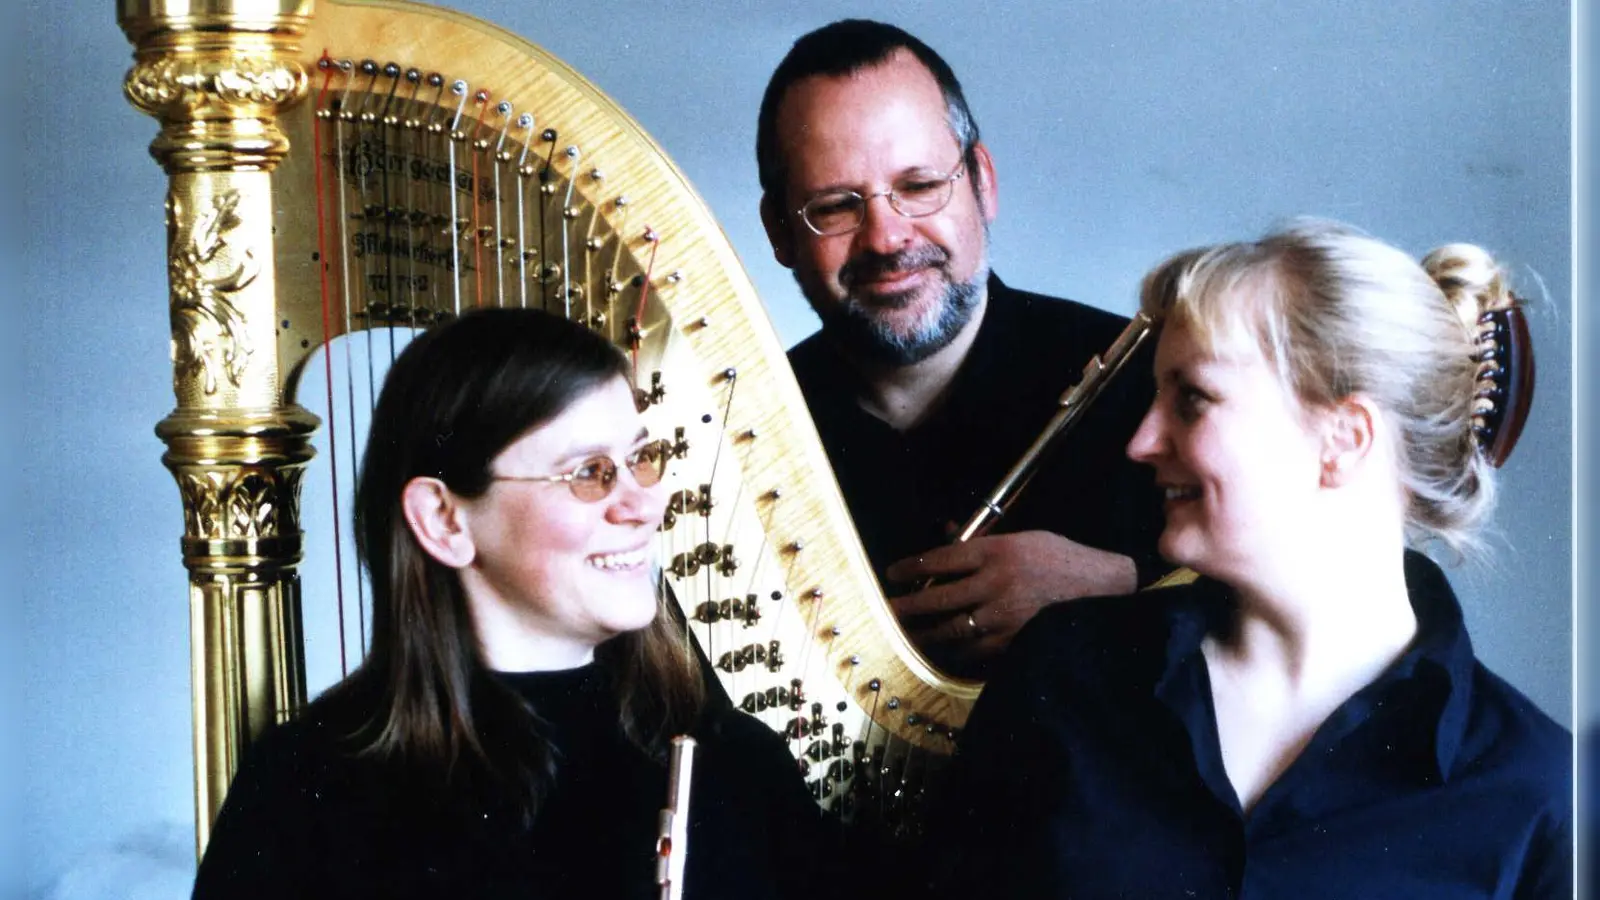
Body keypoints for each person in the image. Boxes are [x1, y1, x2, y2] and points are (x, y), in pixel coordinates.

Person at [926, 220, 1572, 897]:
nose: (1141, 441)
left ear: (1344, 439)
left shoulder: (1538, 794)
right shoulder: (1063, 671)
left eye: (1192, 400)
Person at [192, 308, 837, 899]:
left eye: (640, 457)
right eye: (588, 473)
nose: (644, 505)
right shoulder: (306, 785)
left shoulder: (731, 761)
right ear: (443, 519)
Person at [757, 20, 1166, 674]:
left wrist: (1124, 588)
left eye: (920, 186)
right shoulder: (743, 435)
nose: (886, 238)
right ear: (779, 231)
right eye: (835, 206)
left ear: (982, 182)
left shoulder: (1153, 380)